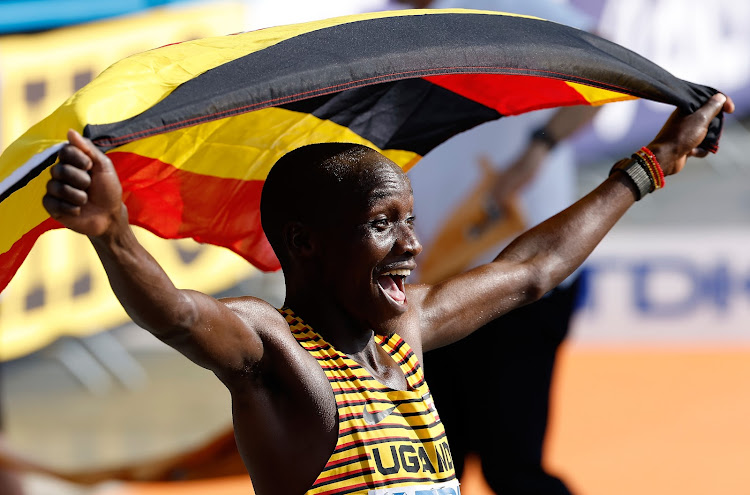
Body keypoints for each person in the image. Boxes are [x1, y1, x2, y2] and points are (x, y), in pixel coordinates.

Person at [41, 91, 732, 494]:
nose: (411, 245)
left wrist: (653, 162)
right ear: (306, 243)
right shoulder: (275, 351)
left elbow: (532, 272)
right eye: (382, 224)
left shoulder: (405, 331)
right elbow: (181, 315)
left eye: (409, 221)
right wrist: (112, 232)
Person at [393, 0, 601, 492]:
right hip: (424, 284)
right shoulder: (379, 22)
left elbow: (601, 67)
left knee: (511, 465)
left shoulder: (508, 3)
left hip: (520, 281)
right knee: (436, 468)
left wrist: (539, 146)